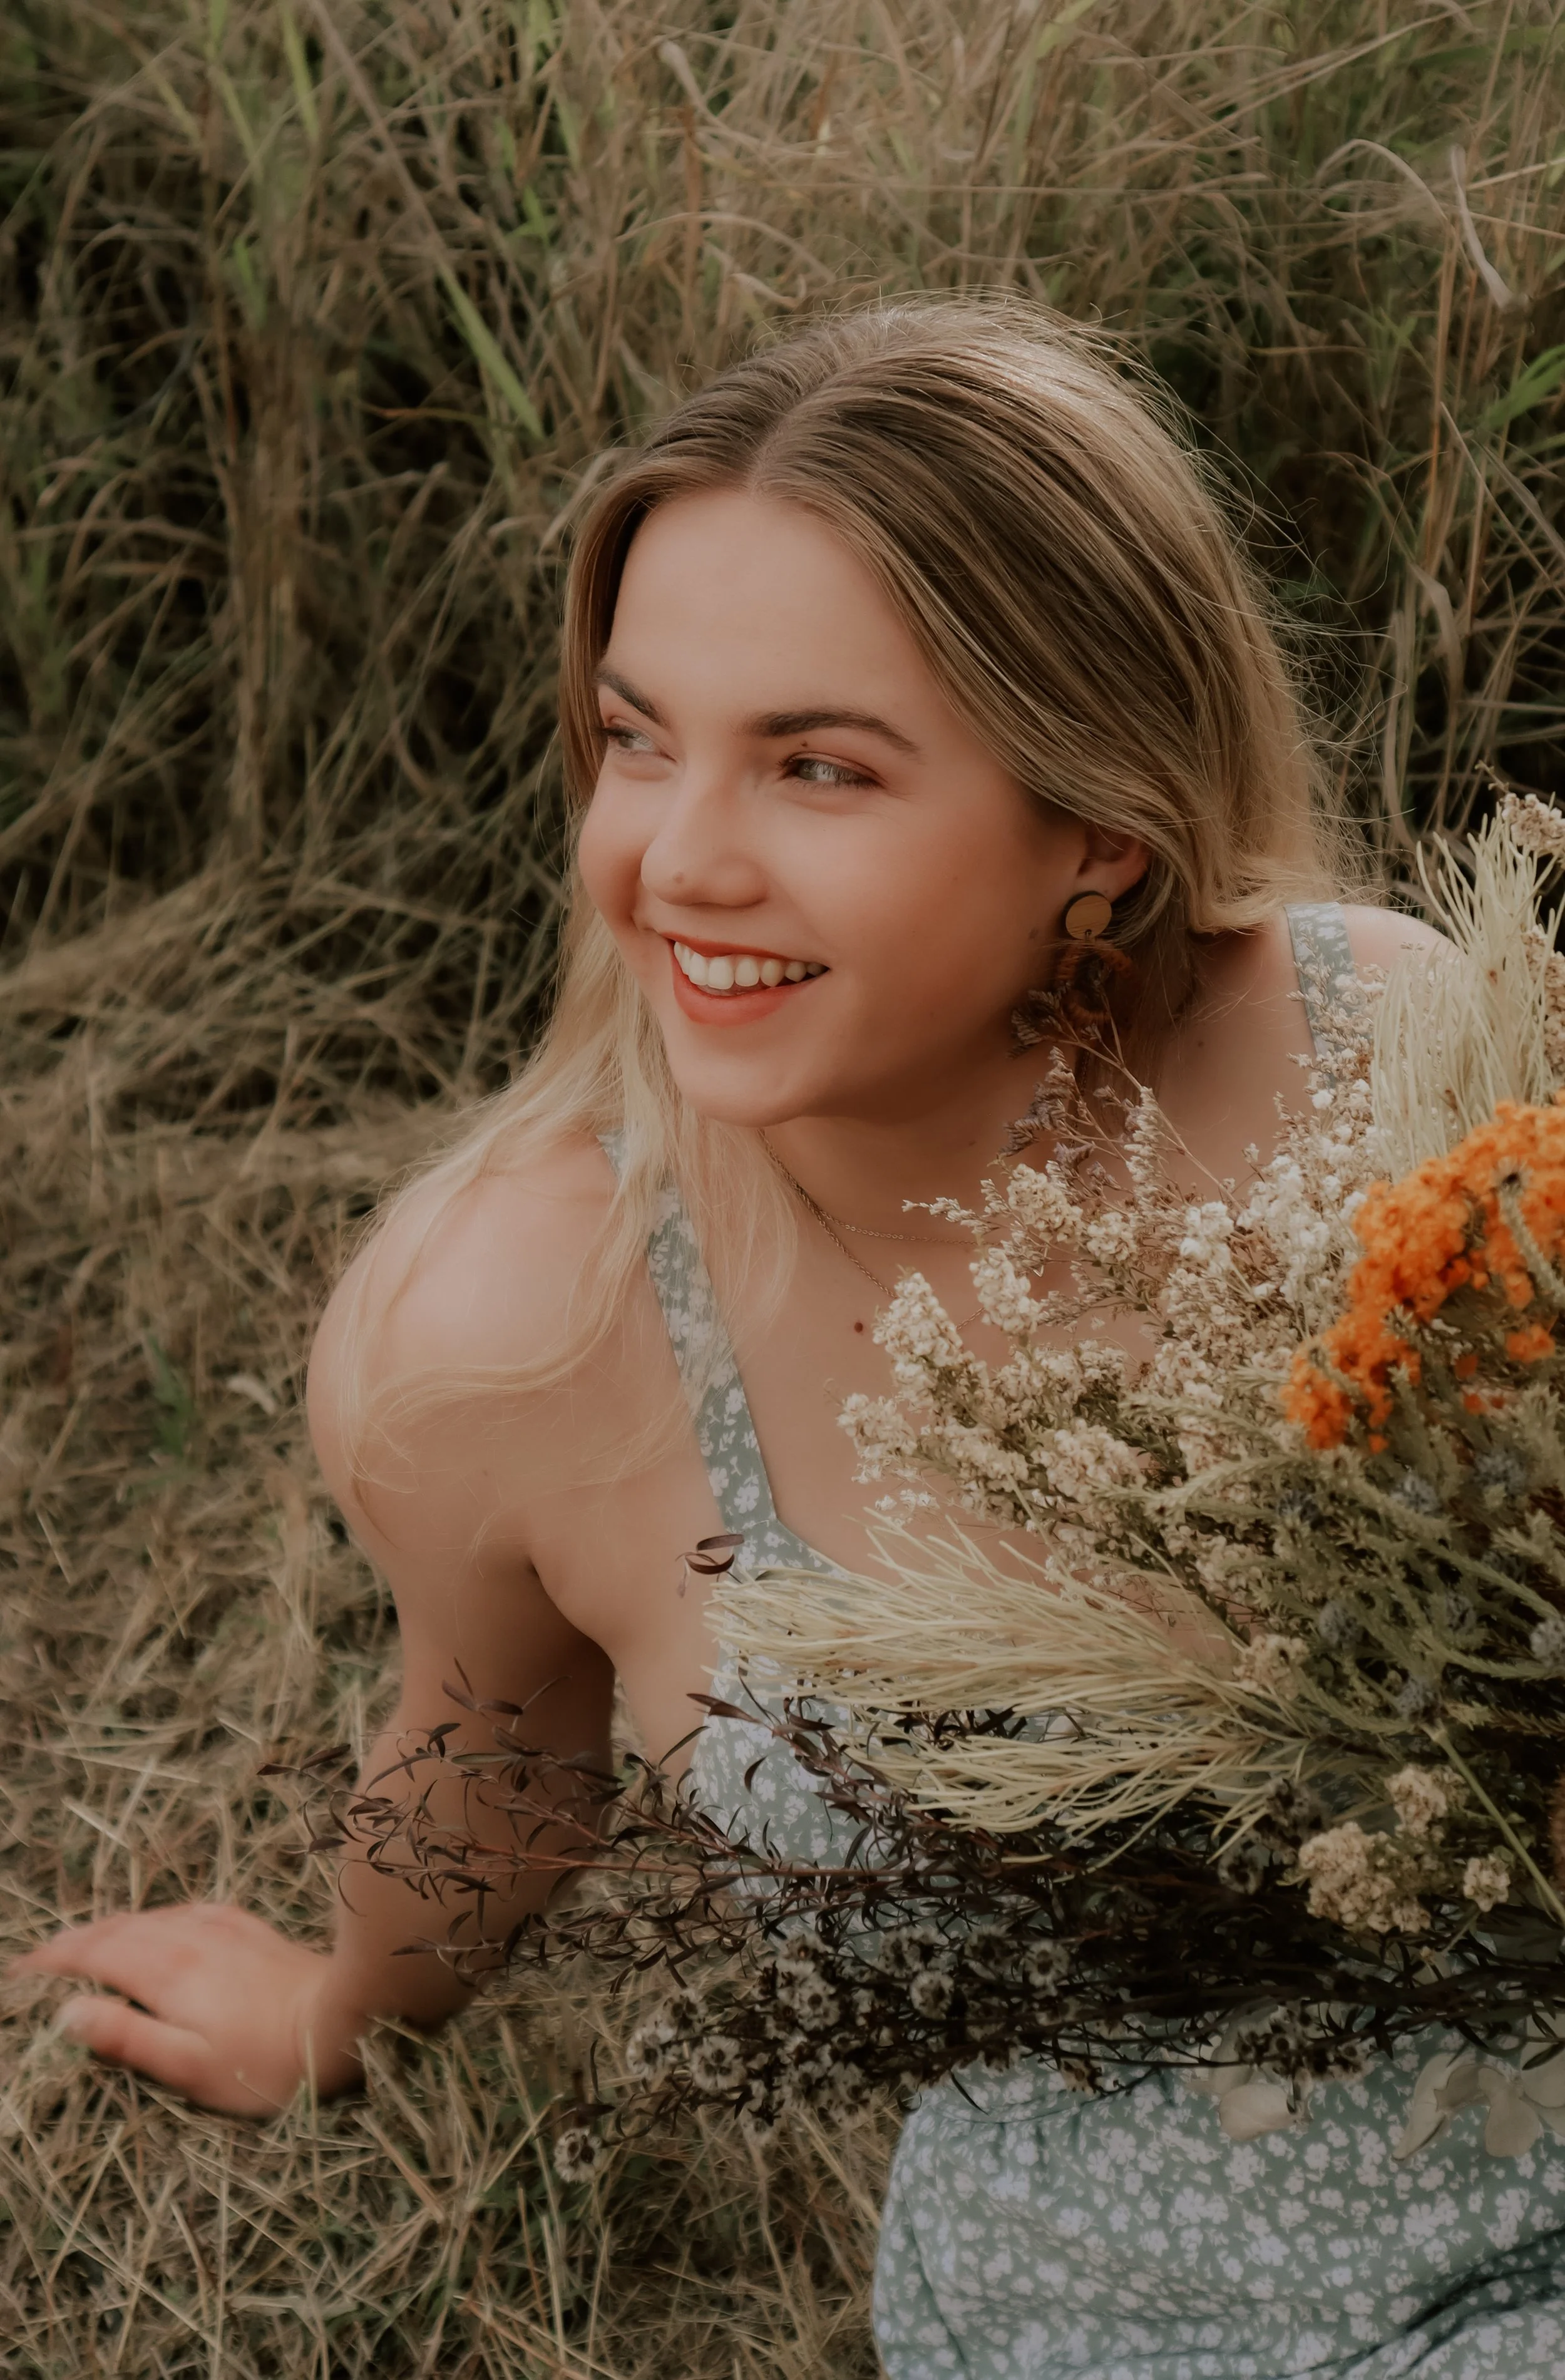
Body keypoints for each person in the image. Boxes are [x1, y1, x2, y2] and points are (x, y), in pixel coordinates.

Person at [20, 300, 1564, 2377]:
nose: (673, 859)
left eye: (817, 764)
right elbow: (495, 1746)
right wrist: (337, 2002)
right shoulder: (517, 1329)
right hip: (1148, 2319)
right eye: (639, 736)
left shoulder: (1389, 1055)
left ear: (1095, 825)